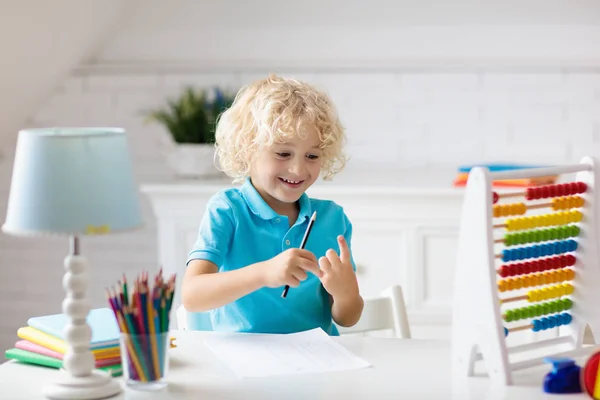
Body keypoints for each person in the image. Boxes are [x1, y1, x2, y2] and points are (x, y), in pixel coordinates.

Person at [181, 74, 364, 335]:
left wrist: (346, 294)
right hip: (244, 363)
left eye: (312, 155)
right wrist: (264, 273)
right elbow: (192, 295)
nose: (298, 168)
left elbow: (348, 318)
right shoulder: (227, 210)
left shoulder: (333, 218)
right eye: (283, 153)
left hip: (317, 362)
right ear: (247, 149)